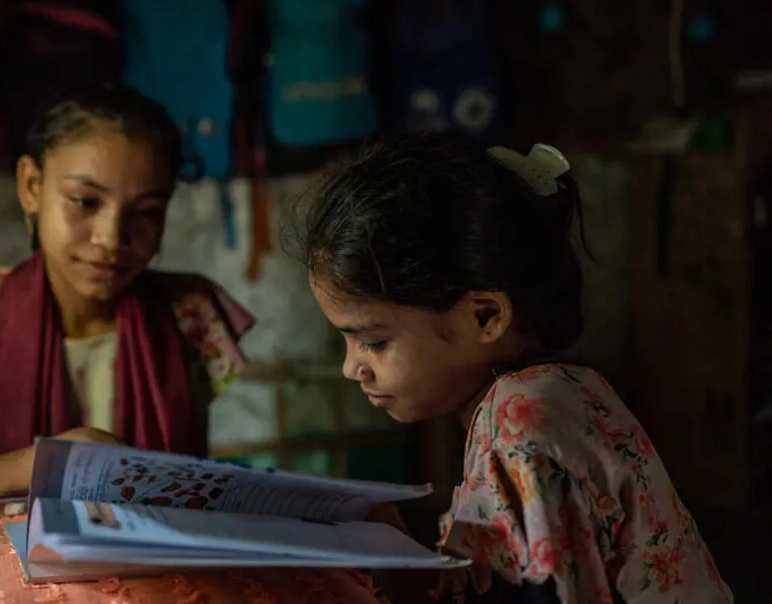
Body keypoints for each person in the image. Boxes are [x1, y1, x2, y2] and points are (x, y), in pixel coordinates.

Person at [0, 84, 391, 604]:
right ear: (31, 187)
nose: (111, 238)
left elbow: (186, 473)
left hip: (143, 570)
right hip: (8, 573)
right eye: (86, 202)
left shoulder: (189, 314)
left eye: (146, 213)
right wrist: (50, 462)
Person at [298, 132, 734, 603]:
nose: (351, 368)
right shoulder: (554, 391)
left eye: (374, 342)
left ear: (485, 316)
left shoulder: (521, 425)